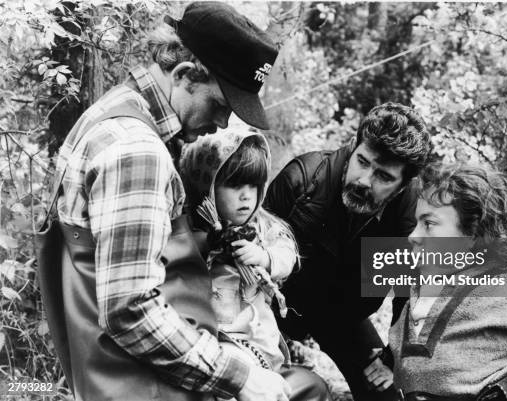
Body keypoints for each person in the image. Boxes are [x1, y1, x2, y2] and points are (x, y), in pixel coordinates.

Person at [41, 2, 296, 400]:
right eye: (220, 105)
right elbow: (130, 311)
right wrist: (240, 377)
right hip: (143, 385)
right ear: (185, 75)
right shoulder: (137, 151)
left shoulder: (109, 113)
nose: (224, 123)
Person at [264, 102, 432, 401]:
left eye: (383, 176)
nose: (364, 181)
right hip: (279, 307)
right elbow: (252, 265)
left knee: (390, 395)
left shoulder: (410, 216)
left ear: (402, 186)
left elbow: (412, 295)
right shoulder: (302, 179)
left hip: (344, 317)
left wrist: (393, 357)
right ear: (353, 148)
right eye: (363, 162)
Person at [384, 163, 507, 401]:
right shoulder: (418, 288)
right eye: (416, 223)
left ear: (473, 232)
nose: (413, 236)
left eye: (429, 223)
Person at [180, 129, 331, 401]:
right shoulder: (191, 235)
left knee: (312, 387)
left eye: (254, 185)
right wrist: (207, 244)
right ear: (206, 186)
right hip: (221, 342)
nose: (246, 196)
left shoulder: (264, 226)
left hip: (263, 344)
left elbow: (287, 256)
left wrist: (265, 258)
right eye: (235, 185)